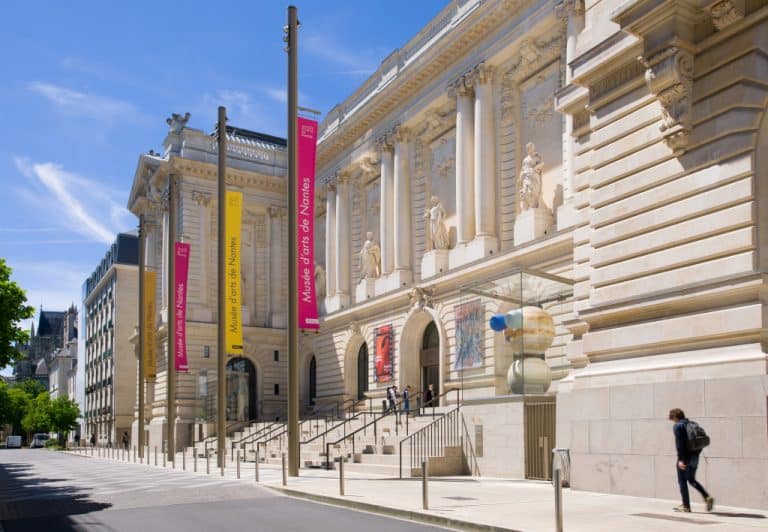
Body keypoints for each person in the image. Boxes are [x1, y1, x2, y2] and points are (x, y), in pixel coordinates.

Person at [669, 408, 714, 513]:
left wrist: (681, 460)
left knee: (682, 481)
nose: (672, 420)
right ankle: (707, 497)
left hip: (685, 458)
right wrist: (695, 455)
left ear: (675, 417)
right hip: (695, 457)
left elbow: (680, 445)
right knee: (692, 480)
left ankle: (686, 506)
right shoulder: (691, 423)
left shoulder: (678, 426)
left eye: (672, 417)